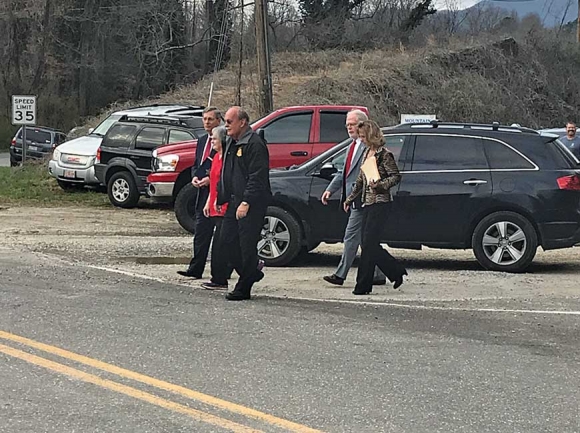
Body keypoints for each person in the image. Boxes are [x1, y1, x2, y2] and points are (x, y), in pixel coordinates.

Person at [321, 109, 386, 286]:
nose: (349, 128)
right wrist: (331, 189)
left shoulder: (367, 147)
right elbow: (345, 172)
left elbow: (371, 176)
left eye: (352, 124)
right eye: (347, 125)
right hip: (356, 199)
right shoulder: (352, 145)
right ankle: (380, 274)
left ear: (362, 125)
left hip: (364, 199)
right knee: (367, 239)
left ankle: (340, 275)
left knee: (351, 237)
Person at [344, 120, 407, 295]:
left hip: (381, 203)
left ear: (371, 136)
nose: (361, 139)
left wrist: (380, 185)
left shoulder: (384, 155)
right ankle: (395, 271)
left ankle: (363, 285)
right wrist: (350, 198)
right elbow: (360, 179)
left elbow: (395, 177)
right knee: (368, 244)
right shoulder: (366, 152)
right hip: (367, 202)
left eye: (363, 136)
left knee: (368, 243)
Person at [217, 106, 271, 301]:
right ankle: (252, 272)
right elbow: (228, 172)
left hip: (251, 203)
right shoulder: (232, 142)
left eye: (229, 122)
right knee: (226, 242)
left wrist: (246, 201)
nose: (226, 126)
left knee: (247, 245)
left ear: (243, 122)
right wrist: (221, 196)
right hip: (233, 200)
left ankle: (243, 287)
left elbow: (257, 177)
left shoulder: (255, 144)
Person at [177, 107, 223, 279]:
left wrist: (211, 180)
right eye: (204, 119)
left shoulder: (225, 141)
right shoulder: (202, 140)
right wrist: (195, 177)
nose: (206, 122)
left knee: (222, 235)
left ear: (219, 121)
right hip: (202, 193)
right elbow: (197, 163)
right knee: (201, 232)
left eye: (210, 119)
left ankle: (223, 270)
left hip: (219, 192)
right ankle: (195, 269)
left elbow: (224, 166)